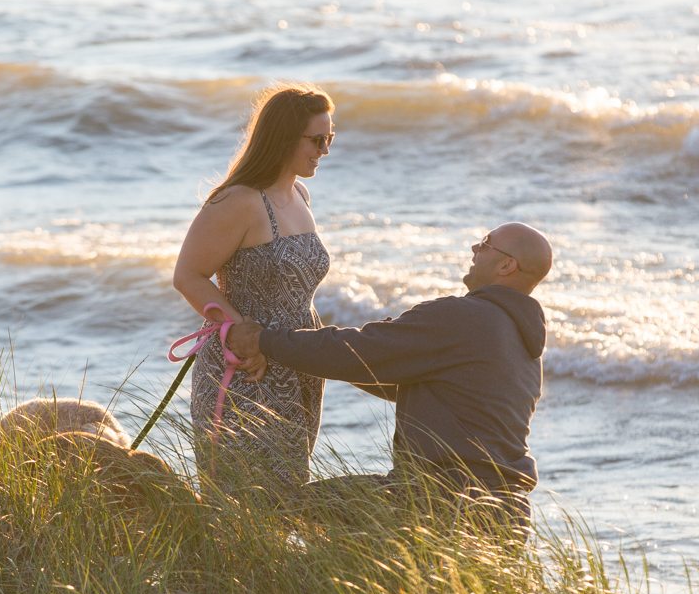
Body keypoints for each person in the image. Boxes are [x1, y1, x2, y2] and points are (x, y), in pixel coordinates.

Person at [225, 222, 552, 527]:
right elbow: (395, 377)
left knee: (283, 510)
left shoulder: (462, 317)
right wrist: (314, 354)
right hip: (507, 516)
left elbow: (362, 350)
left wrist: (264, 341)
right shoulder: (524, 347)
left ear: (506, 265)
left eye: (484, 244)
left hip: (440, 501)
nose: (473, 248)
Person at [172, 84, 334, 491]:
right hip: (246, 366)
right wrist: (241, 334)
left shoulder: (299, 193)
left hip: (296, 359)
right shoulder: (238, 201)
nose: (325, 150)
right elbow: (188, 274)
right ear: (283, 137)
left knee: (290, 492)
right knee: (246, 499)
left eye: (329, 139)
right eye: (317, 140)